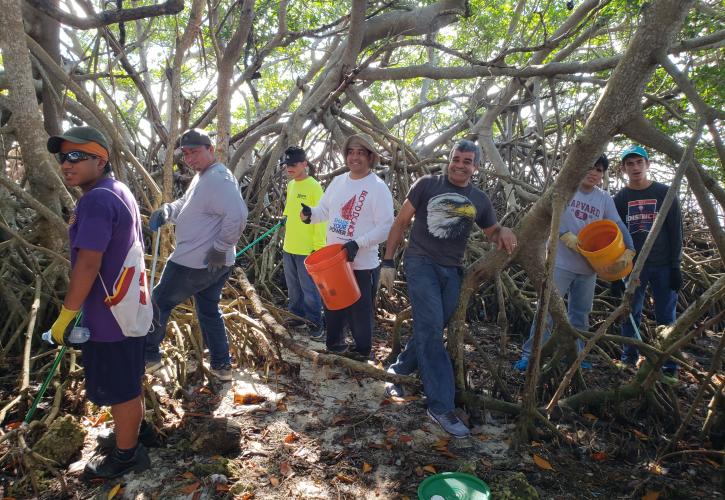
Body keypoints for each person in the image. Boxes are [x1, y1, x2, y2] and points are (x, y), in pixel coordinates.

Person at [379, 139, 517, 438]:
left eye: (467, 161)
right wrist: (388, 261)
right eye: (456, 158)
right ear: (449, 159)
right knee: (430, 331)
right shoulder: (427, 184)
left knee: (433, 326)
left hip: (452, 270)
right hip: (420, 263)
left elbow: (492, 231)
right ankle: (440, 405)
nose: (460, 165)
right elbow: (401, 221)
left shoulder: (479, 199)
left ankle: (400, 370)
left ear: (475, 167)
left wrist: (504, 231)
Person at [46, 126, 151, 479]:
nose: (66, 164)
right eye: (63, 157)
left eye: (77, 156)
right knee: (129, 379)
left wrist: (67, 314)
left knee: (121, 388)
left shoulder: (96, 200)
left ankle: (127, 455)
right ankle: (132, 434)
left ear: (100, 159)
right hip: (129, 307)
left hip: (110, 316)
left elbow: (89, 262)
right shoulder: (118, 190)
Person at [513, 155, 635, 372]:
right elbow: (547, 214)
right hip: (559, 263)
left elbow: (617, 223)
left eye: (599, 170)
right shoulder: (565, 190)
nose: (594, 173)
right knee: (547, 311)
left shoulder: (604, 199)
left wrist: (630, 248)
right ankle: (530, 355)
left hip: (589, 267)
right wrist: (563, 234)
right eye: (589, 167)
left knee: (580, 314)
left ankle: (576, 356)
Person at [145, 128, 248, 381]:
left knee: (158, 302)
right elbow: (188, 203)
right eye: (186, 153)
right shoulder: (204, 176)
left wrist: (221, 248)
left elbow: (238, 215)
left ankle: (148, 358)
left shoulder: (219, 179)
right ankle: (222, 366)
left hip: (195, 263)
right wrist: (168, 211)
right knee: (209, 310)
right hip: (211, 263)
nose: (190, 158)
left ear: (211, 150)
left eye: (195, 152)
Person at [300, 133, 393, 358]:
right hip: (333, 262)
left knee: (360, 312)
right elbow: (324, 211)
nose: (355, 157)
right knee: (333, 307)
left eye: (361, 152)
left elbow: (385, 226)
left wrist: (357, 244)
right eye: (351, 152)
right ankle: (335, 348)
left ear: (370, 157)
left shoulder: (378, 187)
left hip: (362, 263)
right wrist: (309, 214)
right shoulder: (338, 182)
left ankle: (362, 352)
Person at [614, 145, 682, 376]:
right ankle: (628, 359)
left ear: (647, 164)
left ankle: (669, 367)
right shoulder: (620, 198)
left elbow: (676, 231)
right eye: (629, 164)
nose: (635, 167)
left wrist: (676, 266)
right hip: (634, 267)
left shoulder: (665, 192)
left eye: (639, 162)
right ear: (623, 168)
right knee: (630, 313)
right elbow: (617, 236)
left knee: (667, 316)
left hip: (663, 265)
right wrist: (617, 271)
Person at [280, 146, 326, 339]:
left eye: (294, 164)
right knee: (293, 287)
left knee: (309, 289)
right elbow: (291, 209)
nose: (289, 168)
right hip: (289, 245)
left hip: (307, 248)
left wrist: (317, 248)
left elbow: (322, 218)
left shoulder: (314, 186)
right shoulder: (291, 185)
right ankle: (296, 317)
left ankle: (316, 323)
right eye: (287, 165)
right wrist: (283, 217)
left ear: (304, 164)